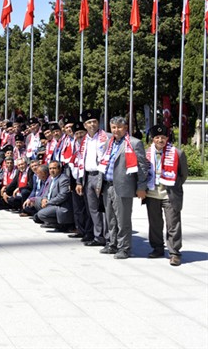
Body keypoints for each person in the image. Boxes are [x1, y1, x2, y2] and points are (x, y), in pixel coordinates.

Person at [98, 116, 148, 259]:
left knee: (123, 220)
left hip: (123, 186)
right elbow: (104, 162)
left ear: (125, 128)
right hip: (108, 185)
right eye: (113, 127)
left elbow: (142, 168)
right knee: (110, 219)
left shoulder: (134, 143)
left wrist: (141, 186)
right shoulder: (109, 142)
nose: (116, 130)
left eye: (119, 127)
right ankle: (112, 244)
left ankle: (124, 248)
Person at [143, 125, 188, 266]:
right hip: (152, 194)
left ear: (167, 138)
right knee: (155, 224)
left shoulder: (177, 153)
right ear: (153, 139)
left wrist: (173, 183)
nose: (160, 140)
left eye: (163, 137)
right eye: (157, 137)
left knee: (173, 224)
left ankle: (174, 253)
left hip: (169, 195)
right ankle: (157, 248)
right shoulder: (146, 153)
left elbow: (183, 174)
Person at [75, 109, 111, 247]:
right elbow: (80, 160)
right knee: (93, 209)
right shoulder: (83, 140)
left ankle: (108, 237)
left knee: (104, 208)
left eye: (94, 121)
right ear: (84, 125)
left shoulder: (106, 138)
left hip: (101, 176)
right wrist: (79, 181)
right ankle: (98, 236)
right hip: (88, 177)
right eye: (88, 122)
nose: (92, 125)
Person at [31, 160, 73, 230]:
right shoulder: (51, 179)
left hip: (59, 205)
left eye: (54, 168)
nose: (52, 170)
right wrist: (44, 199)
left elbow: (62, 196)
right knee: (37, 200)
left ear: (59, 169)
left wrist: (48, 202)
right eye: (50, 168)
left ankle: (61, 224)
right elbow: (46, 192)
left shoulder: (63, 179)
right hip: (51, 203)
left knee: (41, 214)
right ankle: (49, 222)